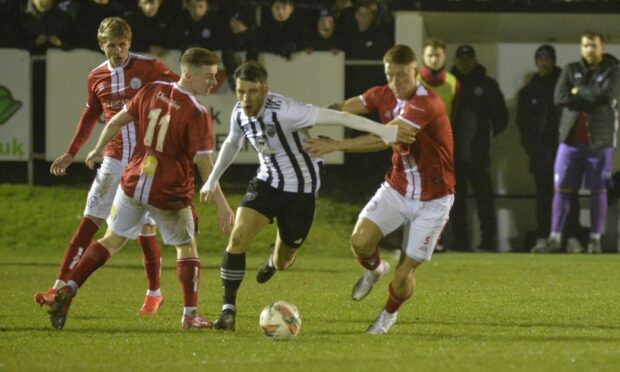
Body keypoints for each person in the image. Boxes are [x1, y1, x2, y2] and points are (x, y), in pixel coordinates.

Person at [200, 60, 414, 331]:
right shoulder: (239, 112)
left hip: (300, 191)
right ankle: (227, 312)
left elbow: (339, 117)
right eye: (241, 92)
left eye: (252, 92)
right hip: (266, 182)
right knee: (238, 237)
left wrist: (383, 130)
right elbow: (232, 142)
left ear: (264, 89)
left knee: (283, 260)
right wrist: (212, 179)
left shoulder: (288, 111)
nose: (245, 98)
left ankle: (272, 260)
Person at [47, 47, 235, 330]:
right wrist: (222, 204)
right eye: (207, 76)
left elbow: (115, 121)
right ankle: (190, 316)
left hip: (133, 183)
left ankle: (68, 289)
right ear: (187, 73)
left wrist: (98, 148)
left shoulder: (152, 89)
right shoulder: (197, 112)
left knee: (112, 240)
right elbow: (205, 163)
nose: (213, 82)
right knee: (186, 247)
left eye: (215, 75)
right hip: (168, 191)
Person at [303, 44, 454, 334]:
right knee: (360, 241)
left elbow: (384, 138)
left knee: (403, 273)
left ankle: (387, 315)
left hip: (434, 198)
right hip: (399, 186)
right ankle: (374, 269)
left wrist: (336, 145)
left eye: (403, 76)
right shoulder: (381, 94)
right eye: (390, 76)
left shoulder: (426, 103)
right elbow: (343, 109)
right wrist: (309, 116)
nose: (396, 83)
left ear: (416, 73)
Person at [33, 17, 178, 316]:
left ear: (130, 42)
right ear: (102, 45)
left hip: (148, 160)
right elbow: (89, 117)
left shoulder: (150, 67)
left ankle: (154, 293)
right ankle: (58, 285)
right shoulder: (96, 76)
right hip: (113, 157)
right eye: (111, 45)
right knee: (90, 218)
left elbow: (181, 90)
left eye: (123, 44)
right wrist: (71, 152)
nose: (118, 51)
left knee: (146, 227)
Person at [541, 31, 620, 254]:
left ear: (602, 47)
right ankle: (555, 236)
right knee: (562, 190)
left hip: (599, 142)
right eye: (585, 45)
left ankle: (595, 239)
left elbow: (607, 95)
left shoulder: (613, 71)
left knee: (598, 192)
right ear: (581, 48)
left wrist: (577, 92)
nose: (589, 50)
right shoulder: (571, 69)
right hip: (569, 142)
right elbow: (560, 97)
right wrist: (588, 95)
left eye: (594, 45)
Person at [516, 45, 584, 253]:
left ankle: (572, 236)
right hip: (540, 152)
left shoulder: (565, 85)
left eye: (548, 58)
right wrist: (531, 147)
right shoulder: (529, 91)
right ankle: (545, 236)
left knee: (569, 193)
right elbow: (522, 123)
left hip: (565, 148)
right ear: (536, 62)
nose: (544, 62)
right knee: (544, 196)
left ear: (554, 60)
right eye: (540, 58)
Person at [450, 44, 508, 252]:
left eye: (468, 58)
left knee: (485, 200)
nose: (465, 62)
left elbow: (501, 117)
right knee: (456, 202)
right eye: (461, 58)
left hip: (479, 153)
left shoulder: (488, 85)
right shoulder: (449, 84)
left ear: (474, 60)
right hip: (453, 153)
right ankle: (460, 243)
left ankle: (488, 242)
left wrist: (487, 135)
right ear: (456, 60)